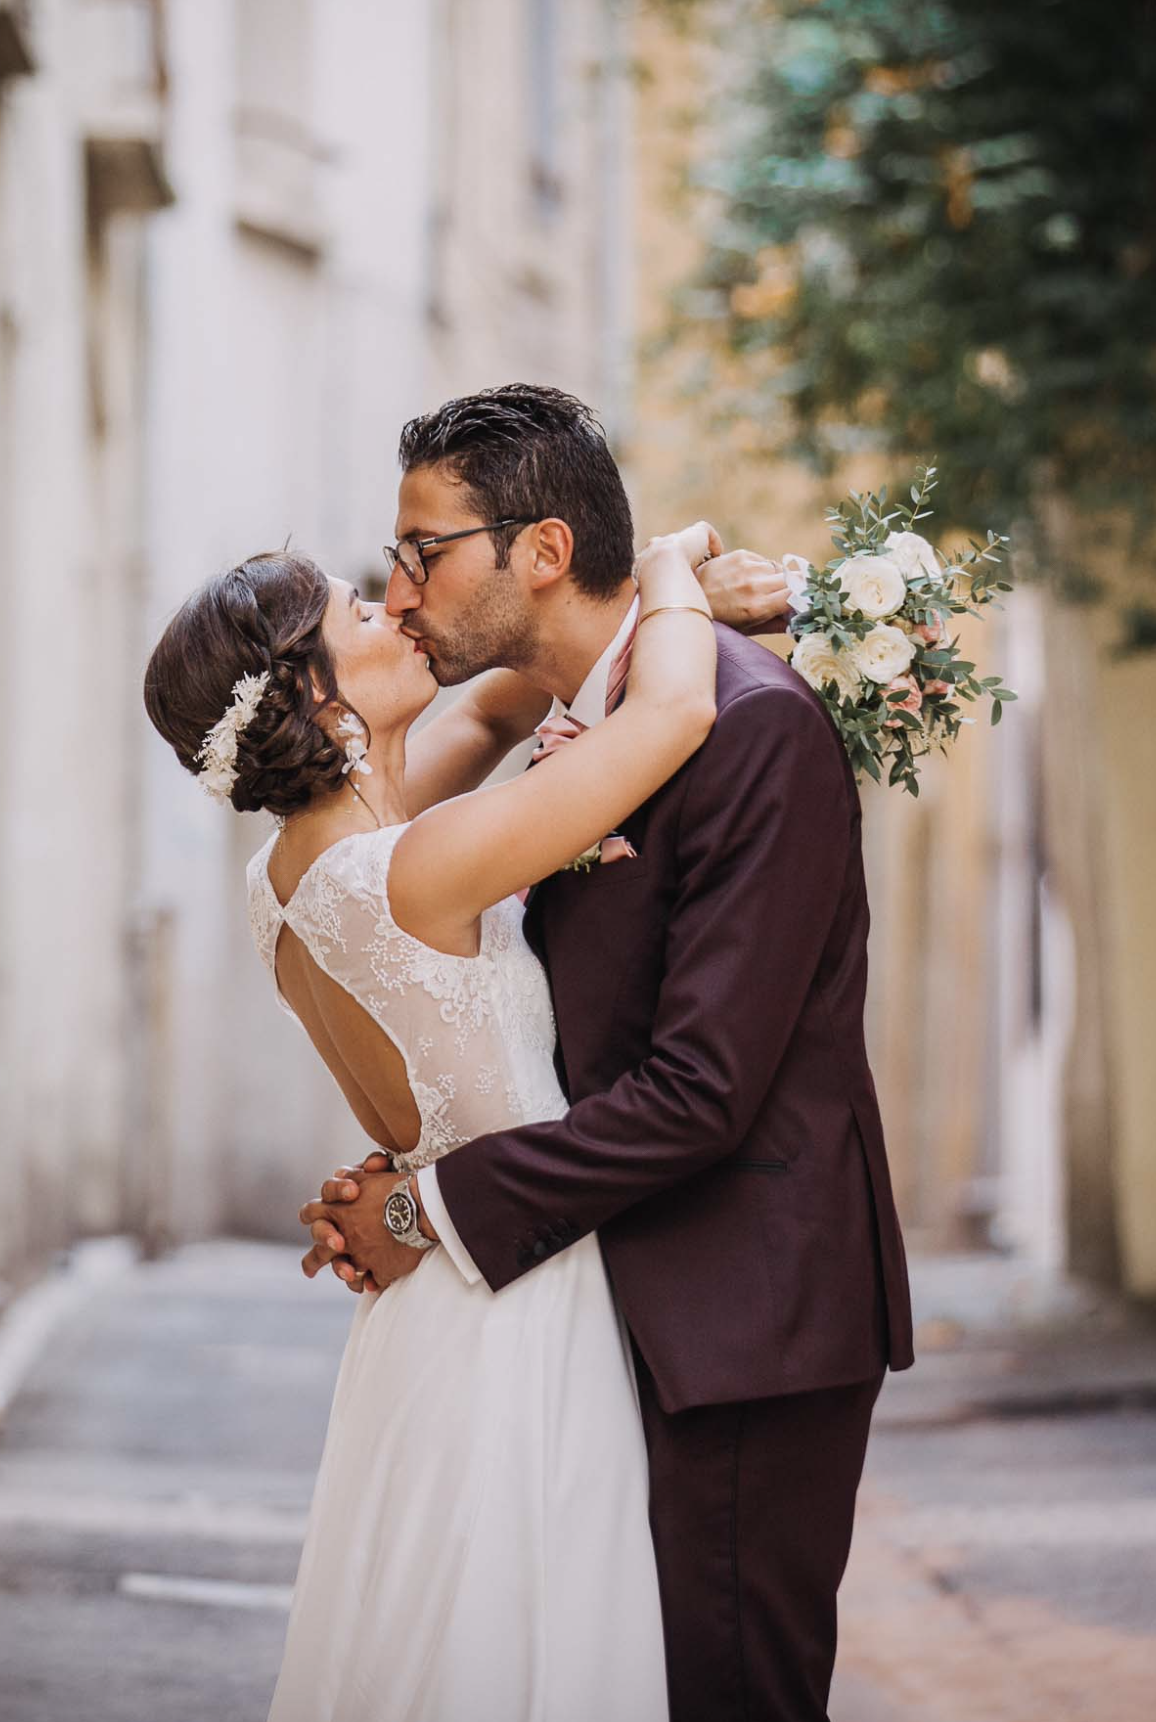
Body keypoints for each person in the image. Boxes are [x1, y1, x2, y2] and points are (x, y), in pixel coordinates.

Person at [300, 385, 915, 1722]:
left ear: (537, 552)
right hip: (606, 1309)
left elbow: (702, 1088)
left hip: (735, 1323)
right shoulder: (596, 723)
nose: (400, 591)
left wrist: (429, 1206)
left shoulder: (742, 724)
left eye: (423, 550)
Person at [144, 470, 779, 1718]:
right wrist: (664, 572)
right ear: (322, 700)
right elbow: (666, 726)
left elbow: (493, 713)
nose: (396, 607)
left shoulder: (300, 870)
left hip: (433, 1298)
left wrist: (605, 609)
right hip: (523, 1306)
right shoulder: (411, 866)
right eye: (360, 616)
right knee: (519, 1647)